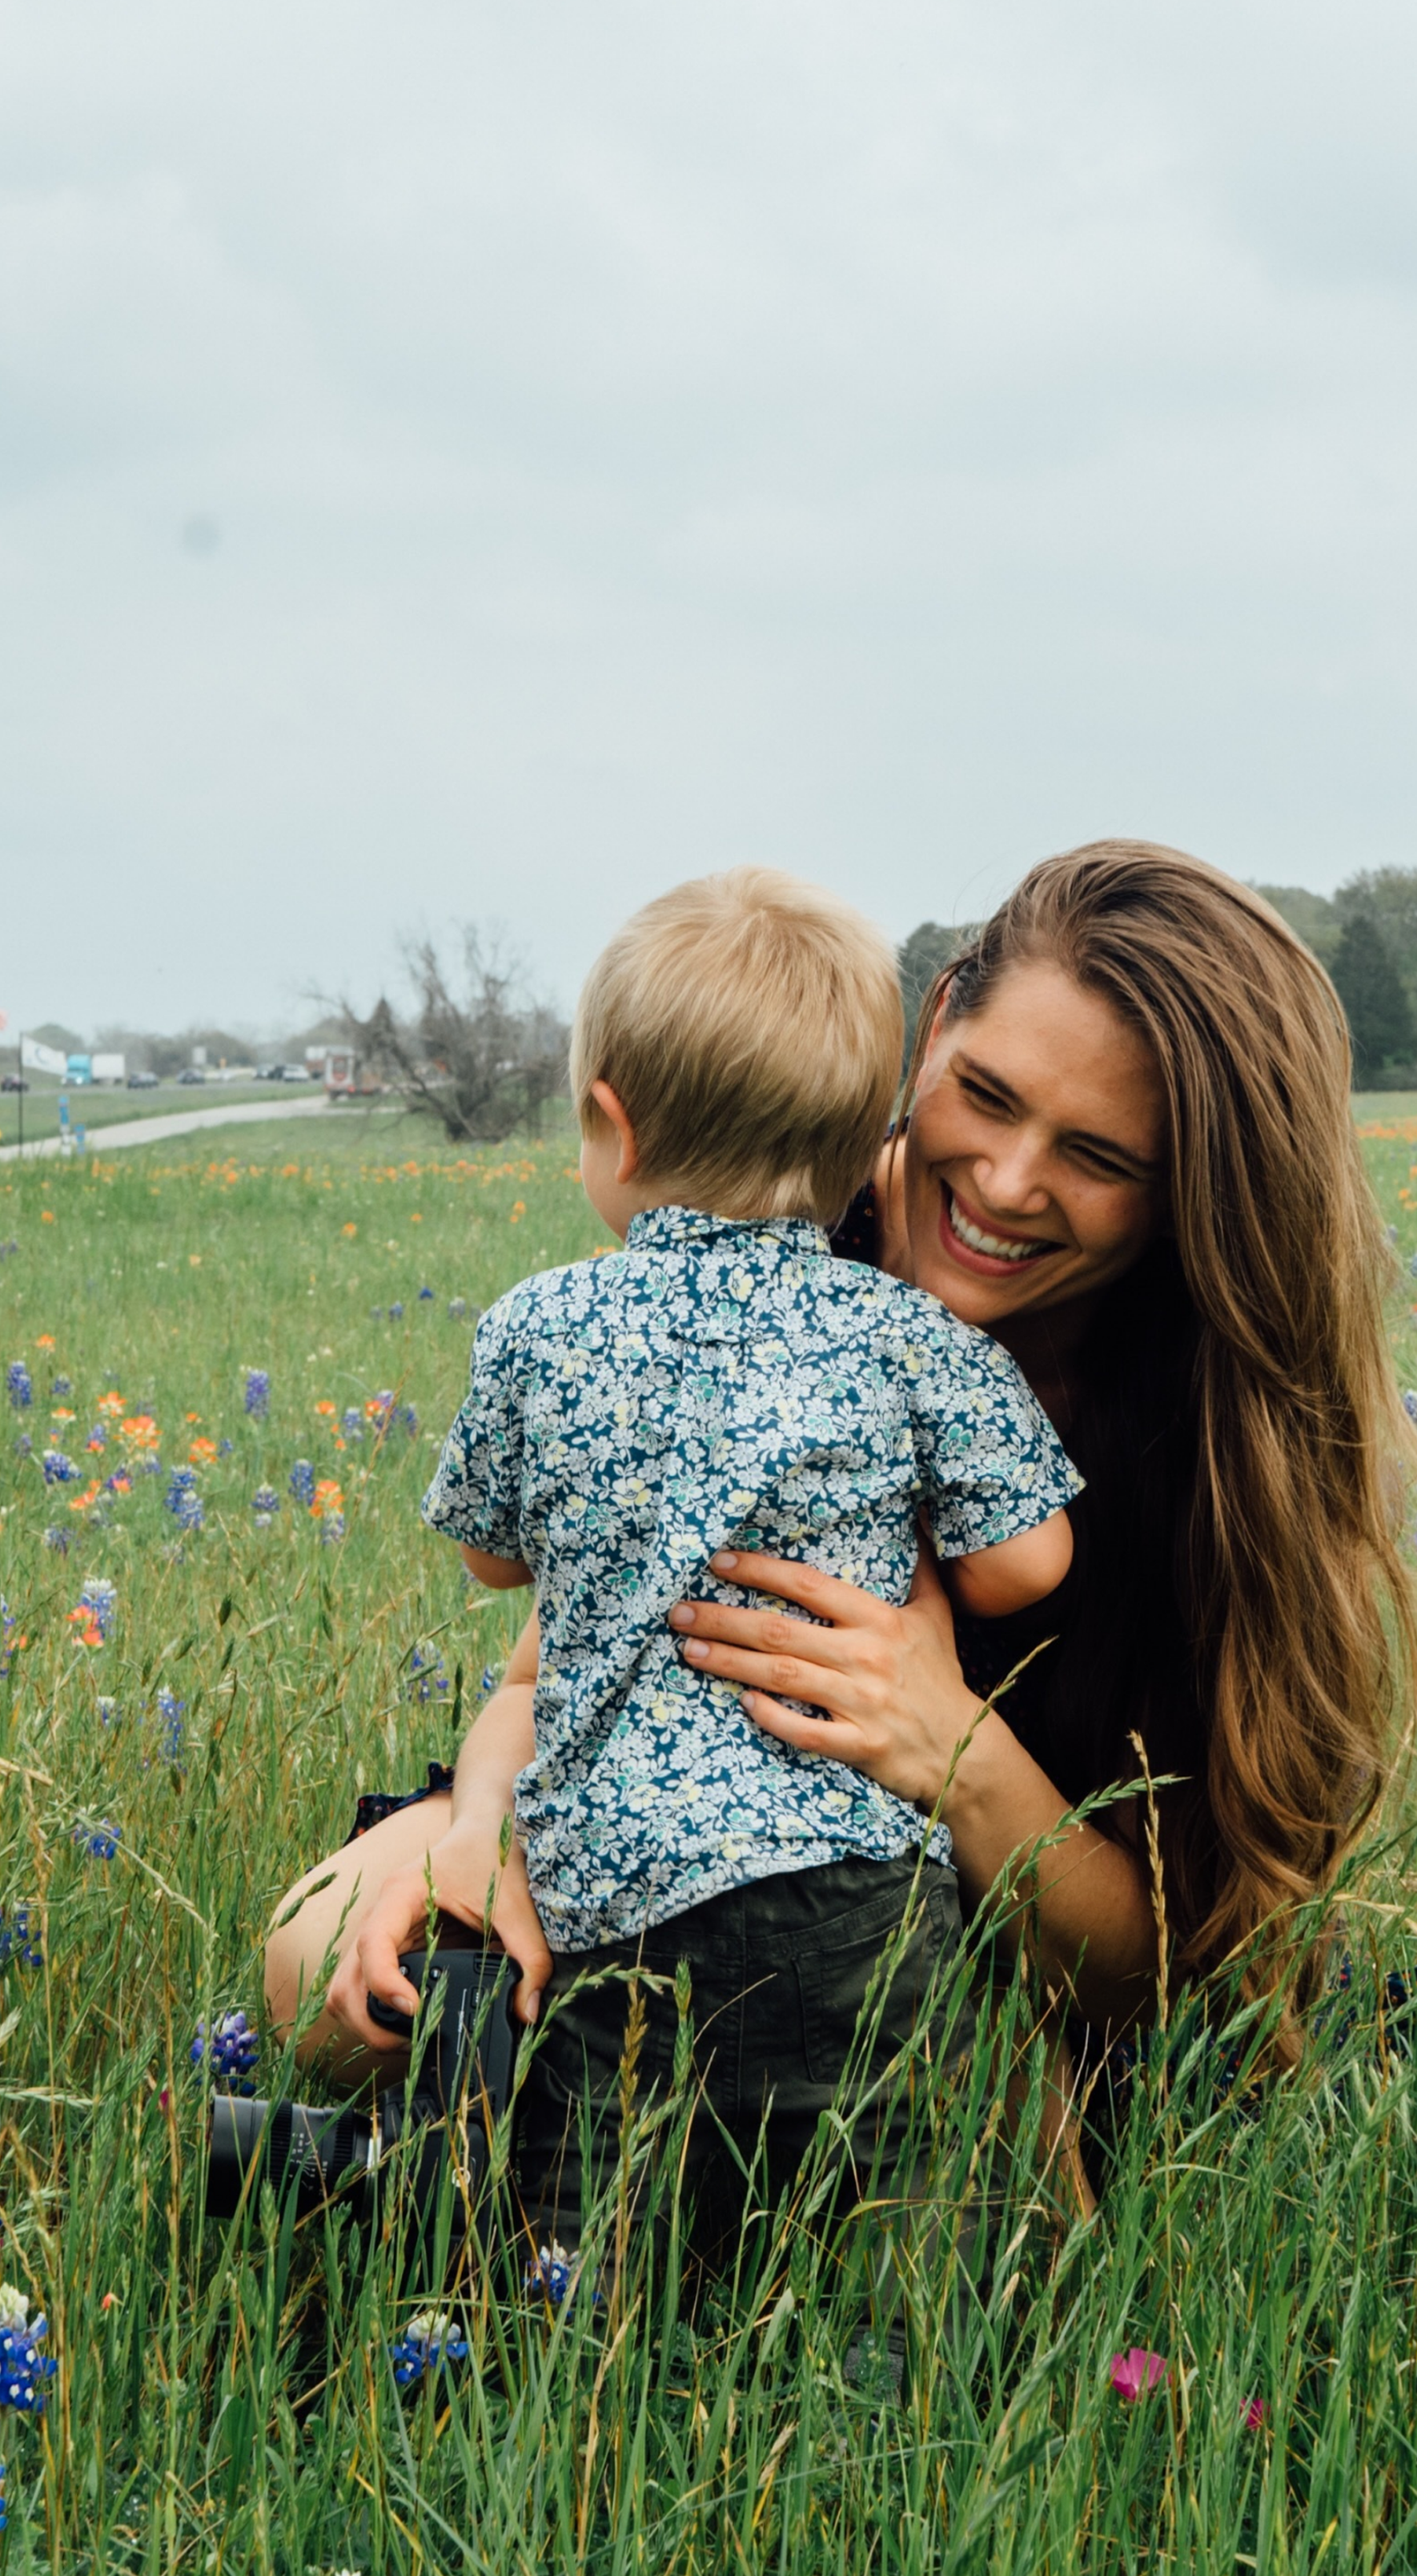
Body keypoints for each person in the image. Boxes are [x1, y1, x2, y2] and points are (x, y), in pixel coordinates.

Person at [267, 839, 1414, 2189]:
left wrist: (950, 1746)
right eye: (985, 1096)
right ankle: (523, 2195)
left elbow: (1167, 1975)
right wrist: (494, 1841)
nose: (1002, 1182)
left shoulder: (1236, 1440)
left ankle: (590, 2205)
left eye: (1096, 1156)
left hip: (999, 1934)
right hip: (666, 1848)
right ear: (928, 1034)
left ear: (1189, 1198)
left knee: (981, 2050)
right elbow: (547, 1666)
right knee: (329, 1950)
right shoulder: (777, 1217)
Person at [406, 869, 1081, 2239]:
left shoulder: (538, 1327)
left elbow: (488, 1560)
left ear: (612, 1121)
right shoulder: (912, 1338)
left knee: (594, 2228)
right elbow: (1031, 1567)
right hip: (855, 1888)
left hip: (611, 1888)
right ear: (863, 1154)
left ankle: (581, 2378)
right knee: (881, 2218)